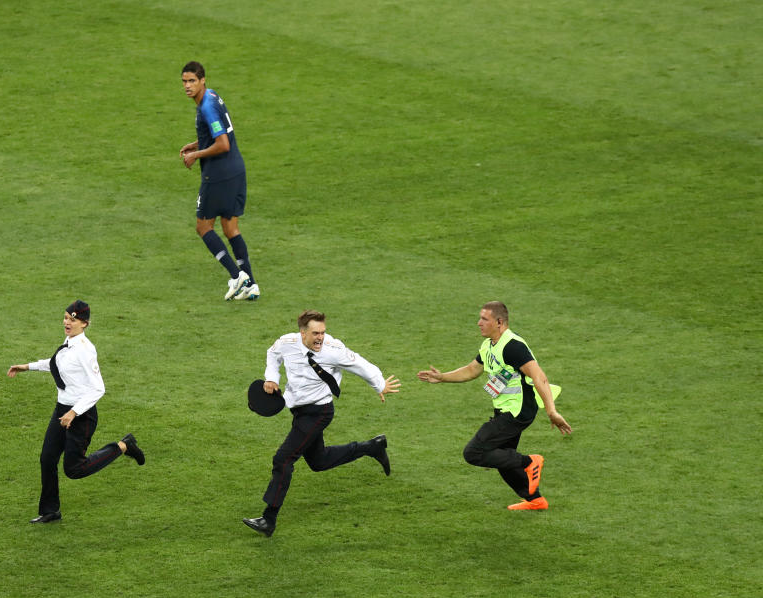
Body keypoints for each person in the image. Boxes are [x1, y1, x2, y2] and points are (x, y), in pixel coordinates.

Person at [243, 310, 401, 537]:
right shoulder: (287, 343)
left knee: (284, 458)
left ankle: (269, 519)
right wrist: (271, 378)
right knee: (319, 461)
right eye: (315, 333)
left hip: (319, 412)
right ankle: (372, 447)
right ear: (302, 333)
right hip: (298, 410)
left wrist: (379, 384)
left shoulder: (333, 349)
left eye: (323, 332)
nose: (320, 338)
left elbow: (361, 364)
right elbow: (272, 353)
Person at [417, 301, 571, 510]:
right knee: (502, 457)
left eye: (484, 319)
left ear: (499, 322)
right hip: (505, 410)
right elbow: (472, 370)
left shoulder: (513, 346)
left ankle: (529, 462)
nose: (479, 323)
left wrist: (552, 411)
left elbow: (539, 377)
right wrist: (442, 377)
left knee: (474, 452)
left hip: (517, 412)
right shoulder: (489, 345)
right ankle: (535, 500)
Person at [6, 300, 145, 524]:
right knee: (47, 459)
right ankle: (51, 511)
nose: (66, 323)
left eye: (72, 319)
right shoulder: (69, 342)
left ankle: (123, 446)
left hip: (82, 414)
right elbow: (58, 363)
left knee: (74, 469)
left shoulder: (85, 350)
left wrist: (74, 412)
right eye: (65, 318)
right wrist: (27, 367)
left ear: (85, 324)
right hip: (63, 409)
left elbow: (98, 388)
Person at [179, 60, 260, 302]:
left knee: (203, 227)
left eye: (192, 81)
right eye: (184, 81)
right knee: (230, 228)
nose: (187, 86)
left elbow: (222, 143)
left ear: (203, 80)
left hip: (218, 174)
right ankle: (251, 285)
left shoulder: (207, 107)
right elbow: (219, 132)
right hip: (237, 169)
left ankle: (237, 277)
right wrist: (197, 143)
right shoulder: (212, 96)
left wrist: (196, 154)